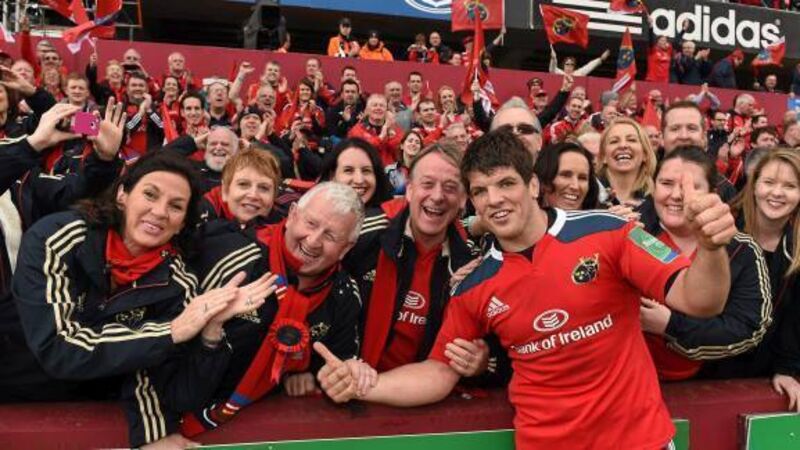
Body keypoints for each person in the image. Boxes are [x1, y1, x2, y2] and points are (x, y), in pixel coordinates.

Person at [315, 128, 736, 450]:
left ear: (533, 185)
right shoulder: (473, 284)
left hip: (640, 442)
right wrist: (365, 383)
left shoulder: (611, 231)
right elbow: (439, 372)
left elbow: (699, 300)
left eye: (505, 184)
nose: (494, 200)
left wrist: (712, 248)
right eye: (480, 191)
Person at [11, 150, 276, 447]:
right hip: (13, 387)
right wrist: (171, 330)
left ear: (182, 222)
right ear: (122, 195)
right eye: (150, 194)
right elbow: (58, 346)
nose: (160, 212)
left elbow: (150, 370)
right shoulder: (58, 237)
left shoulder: (179, 281)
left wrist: (153, 435)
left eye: (176, 206)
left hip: (89, 407)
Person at [182, 182, 365, 435]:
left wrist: (313, 374)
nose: (313, 241)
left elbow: (337, 362)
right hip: (191, 417)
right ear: (292, 215)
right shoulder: (228, 256)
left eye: (331, 236)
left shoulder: (345, 294)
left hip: (265, 426)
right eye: (311, 223)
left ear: (346, 248)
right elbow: (170, 346)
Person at [344, 143, 484, 375]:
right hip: (350, 381)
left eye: (450, 187)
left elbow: (486, 344)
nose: (437, 196)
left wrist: (481, 362)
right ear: (409, 190)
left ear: (463, 199)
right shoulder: (362, 235)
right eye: (427, 184)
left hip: (422, 389)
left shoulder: (471, 263)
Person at [639, 146, 771, 381]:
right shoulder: (634, 237)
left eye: (692, 187)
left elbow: (748, 330)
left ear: (713, 193)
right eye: (666, 183)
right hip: (636, 381)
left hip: (712, 381)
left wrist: (670, 325)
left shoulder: (742, 249)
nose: (676, 195)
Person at [200, 149, 283, 229]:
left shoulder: (284, 226)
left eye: (264, 188)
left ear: (274, 196)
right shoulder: (203, 210)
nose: (253, 195)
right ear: (225, 191)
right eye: (243, 184)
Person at [596, 117, 657, 208]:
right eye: (614, 141)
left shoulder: (658, 202)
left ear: (645, 154)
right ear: (603, 156)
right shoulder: (588, 196)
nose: (623, 145)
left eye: (631, 140)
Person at [318, 138, 393, 208]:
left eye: (366, 170)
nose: (359, 180)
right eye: (348, 170)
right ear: (332, 176)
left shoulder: (394, 215)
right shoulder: (315, 214)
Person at [534, 142, 599, 210]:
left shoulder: (602, 216)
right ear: (543, 181)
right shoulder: (526, 217)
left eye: (582, 178)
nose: (575, 186)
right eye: (565, 175)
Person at [348, 94, 404, 167]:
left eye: (382, 106)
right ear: (367, 110)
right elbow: (364, 150)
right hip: (366, 168)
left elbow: (399, 152)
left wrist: (390, 131)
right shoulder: (357, 130)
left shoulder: (395, 129)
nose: (378, 108)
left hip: (389, 170)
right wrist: (381, 137)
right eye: (374, 105)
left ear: (386, 111)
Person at [386, 130, 423, 195]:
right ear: (402, 145)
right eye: (410, 141)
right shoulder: (390, 171)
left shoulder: (425, 171)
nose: (413, 144)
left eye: (417, 142)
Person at [645, 15, 675, 83]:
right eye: (662, 40)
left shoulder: (668, 52)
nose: (664, 42)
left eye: (665, 41)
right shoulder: (653, 50)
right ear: (657, 42)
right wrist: (651, 26)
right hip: (652, 80)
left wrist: (683, 30)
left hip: (664, 82)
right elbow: (651, 40)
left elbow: (676, 42)